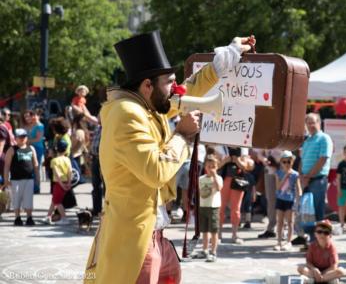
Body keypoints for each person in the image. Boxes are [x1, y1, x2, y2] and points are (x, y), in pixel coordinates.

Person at [84, 31, 254, 283]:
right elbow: (155, 171)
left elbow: (188, 89)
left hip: (155, 236)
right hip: (135, 240)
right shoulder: (126, 113)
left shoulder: (147, 105)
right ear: (147, 85)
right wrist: (182, 136)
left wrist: (230, 53)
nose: (175, 89)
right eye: (169, 82)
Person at [300, 113, 333, 223]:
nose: (310, 126)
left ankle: (318, 237)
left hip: (317, 179)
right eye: (308, 123)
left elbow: (322, 159)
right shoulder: (307, 140)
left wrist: (308, 176)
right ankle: (307, 236)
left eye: (313, 123)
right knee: (306, 210)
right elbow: (302, 159)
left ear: (319, 123)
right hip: (306, 180)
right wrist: (301, 176)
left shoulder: (324, 138)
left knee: (317, 210)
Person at [3, 129, 39, 226]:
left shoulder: (31, 148)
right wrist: (6, 179)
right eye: (20, 137)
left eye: (24, 137)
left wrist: (37, 178)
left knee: (28, 199)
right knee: (16, 198)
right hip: (16, 179)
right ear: (16, 138)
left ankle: (29, 217)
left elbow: (35, 164)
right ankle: (17, 217)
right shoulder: (12, 150)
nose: (22, 139)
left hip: (29, 178)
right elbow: (7, 165)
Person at [219, 147, 254, 244]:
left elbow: (247, 166)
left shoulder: (243, 148)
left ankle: (234, 234)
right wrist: (226, 161)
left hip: (238, 181)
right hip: (224, 180)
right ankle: (218, 234)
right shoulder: (223, 147)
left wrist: (237, 161)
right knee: (220, 207)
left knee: (236, 208)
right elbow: (215, 165)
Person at [195, 154, 222, 262]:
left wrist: (214, 176)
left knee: (214, 231)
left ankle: (213, 251)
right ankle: (204, 249)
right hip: (203, 206)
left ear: (217, 167)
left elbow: (219, 188)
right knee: (204, 231)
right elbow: (200, 192)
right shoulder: (201, 179)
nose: (211, 169)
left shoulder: (218, 178)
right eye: (209, 166)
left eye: (213, 166)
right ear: (205, 166)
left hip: (213, 207)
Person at [274, 151, 302, 251]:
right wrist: (286, 176)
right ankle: (278, 242)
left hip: (290, 200)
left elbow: (299, 188)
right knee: (280, 221)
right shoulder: (278, 173)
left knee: (290, 222)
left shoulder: (295, 174)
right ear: (281, 162)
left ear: (292, 162)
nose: (286, 164)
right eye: (284, 161)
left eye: (289, 161)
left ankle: (288, 241)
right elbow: (278, 187)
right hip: (280, 199)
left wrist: (300, 199)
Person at [43, 139, 72, 225]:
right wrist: (69, 183)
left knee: (57, 202)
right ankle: (48, 216)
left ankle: (64, 218)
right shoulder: (67, 159)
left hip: (58, 183)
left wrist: (61, 184)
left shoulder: (54, 161)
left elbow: (57, 174)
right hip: (66, 181)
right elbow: (70, 171)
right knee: (54, 200)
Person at [25, 110, 45, 192]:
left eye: (35, 115)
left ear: (38, 116)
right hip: (31, 147)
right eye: (33, 115)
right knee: (31, 168)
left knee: (36, 167)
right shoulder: (33, 125)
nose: (33, 117)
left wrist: (28, 141)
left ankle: (37, 187)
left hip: (37, 148)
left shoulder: (40, 126)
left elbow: (38, 138)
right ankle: (33, 186)